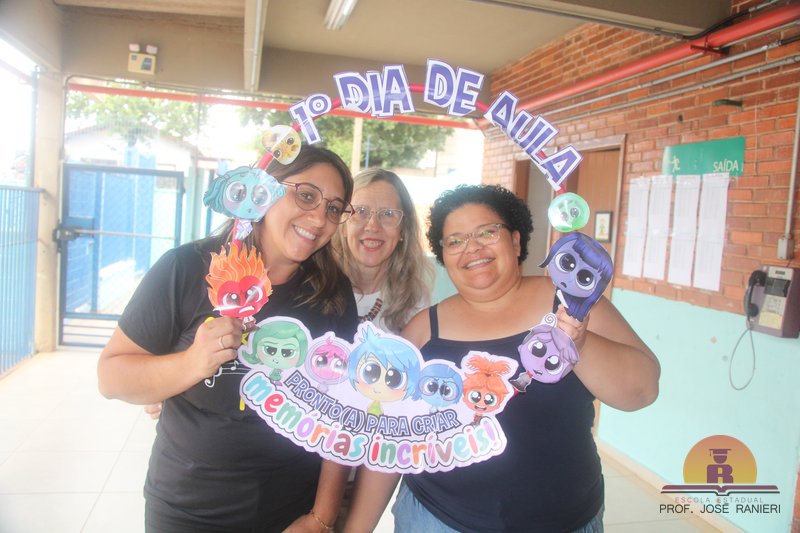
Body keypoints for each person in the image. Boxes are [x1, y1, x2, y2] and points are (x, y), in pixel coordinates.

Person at [344, 184, 660, 533]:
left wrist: (579, 343)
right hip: (436, 518)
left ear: (516, 241)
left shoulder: (570, 303)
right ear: (444, 254)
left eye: (487, 232)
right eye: (455, 241)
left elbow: (642, 391)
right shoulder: (423, 330)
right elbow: (391, 439)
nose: (472, 248)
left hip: (566, 520)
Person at [97, 145, 360, 533]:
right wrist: (190, 363)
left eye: (334, 208)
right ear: (263, 189)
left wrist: (321, 517)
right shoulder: (187, 268)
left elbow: (343, 413)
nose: (320, 218)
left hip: (292, 511)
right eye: (306, 195)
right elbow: (111, 377)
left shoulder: (332, 294)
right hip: (188, 511)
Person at [333, 168, 433, 334]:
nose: (373, 226)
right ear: (343, 224)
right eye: (361, 211)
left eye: (387, 214)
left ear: (403, 230)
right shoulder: (315, 288)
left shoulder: (415, 299)